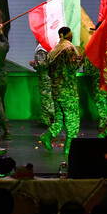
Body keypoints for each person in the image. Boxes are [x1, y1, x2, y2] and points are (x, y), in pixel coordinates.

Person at [38, 27, 83, 155]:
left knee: (60, 119)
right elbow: (72, 68)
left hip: (56, 90)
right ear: (70, 36)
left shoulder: (54, 51)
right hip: (68, 90)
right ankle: (69, 148)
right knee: (73, 119)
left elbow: (48, 69)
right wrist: (82, 58)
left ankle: (47, 135)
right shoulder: (68, 49)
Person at [30, 44, 55, 127]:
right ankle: (45, 119)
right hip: (51, 75)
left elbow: (42, 65)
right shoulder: (51, 45)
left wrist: (33, 64)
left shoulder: (42, 49)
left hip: (45, 77)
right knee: (47, 98)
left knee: (46, 98)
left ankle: (51, 119)